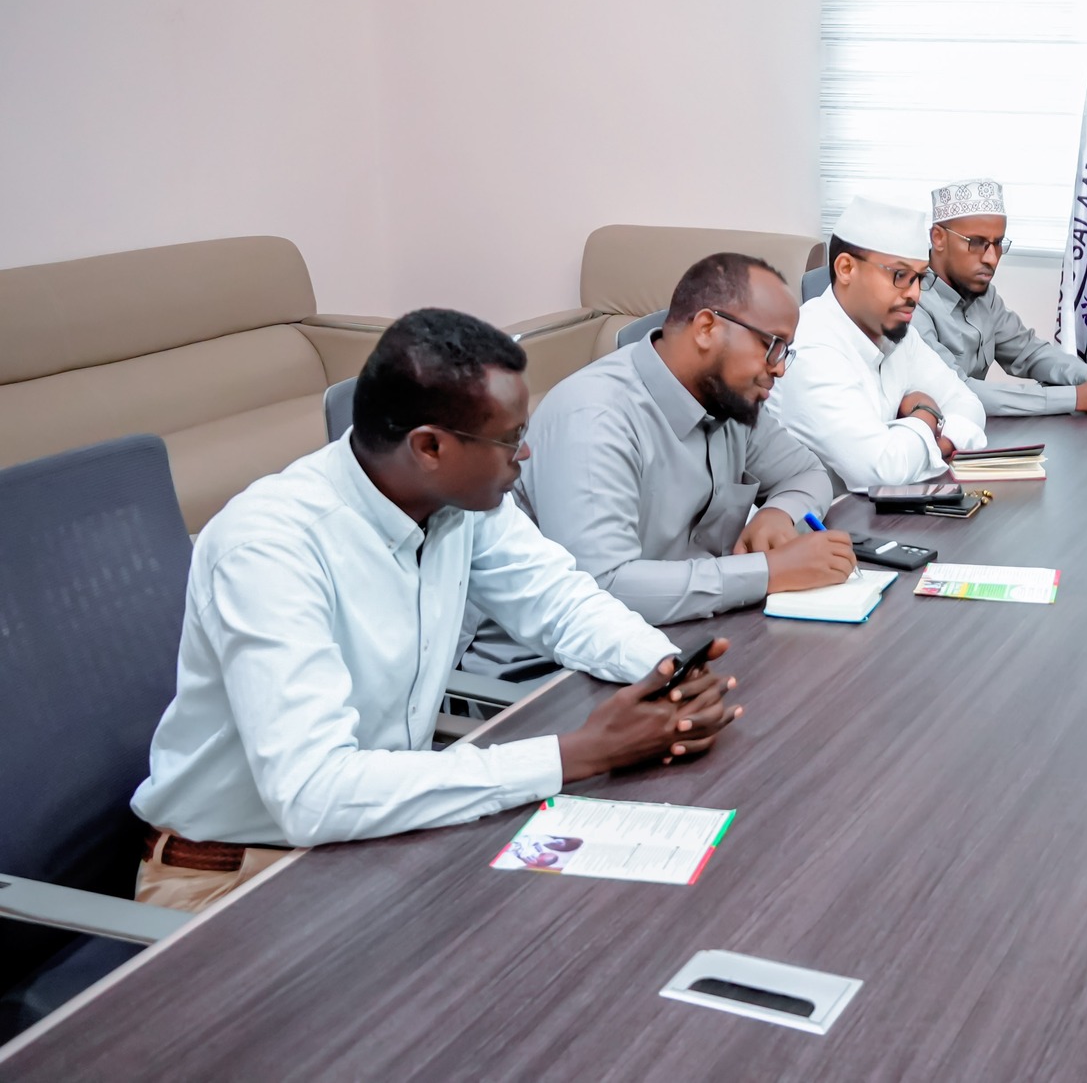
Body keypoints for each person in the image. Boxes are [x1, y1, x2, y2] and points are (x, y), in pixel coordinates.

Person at [130, 309, 739, 912]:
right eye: (509, 439)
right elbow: (311, 794)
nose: (523, 456)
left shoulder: (458, 501)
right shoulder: (270, 549)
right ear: (429, 447)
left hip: (382, 833)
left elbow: (560, 602)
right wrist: (575, 754)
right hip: (238, 877)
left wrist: (664, 674)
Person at [516, 253, 854, 625]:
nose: (778, 367)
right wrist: (769, 571)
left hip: (691, 628)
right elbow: (601, 588)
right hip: (552, 667)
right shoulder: (595, 418)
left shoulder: (728, 400)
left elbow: (806, 473)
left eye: (785, 351)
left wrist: (779, 514)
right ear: (707, 327)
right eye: (772, 345)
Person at [767, 195, 988, 491]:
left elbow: (969, 406)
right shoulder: (810, 348)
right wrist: (927, 415)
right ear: (846, 268)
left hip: (879, 519)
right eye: (900, 276)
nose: (914, 294)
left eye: (920, 278)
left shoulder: (898, 333)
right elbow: (881, 470)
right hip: (816, 526)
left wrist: (927, 440)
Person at [914, 178, 1087, 417]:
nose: (992, 258)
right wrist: (1079, 397)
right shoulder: (911, 303)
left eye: (998, 243)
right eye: (977, 243)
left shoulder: (982, 295)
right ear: (938, 238)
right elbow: (957, 392)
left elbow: (1029, 352)